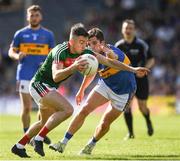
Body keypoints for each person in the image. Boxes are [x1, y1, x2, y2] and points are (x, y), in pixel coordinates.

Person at [49, 28, 149, 155]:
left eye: (94, 43)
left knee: (104, 123)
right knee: (84, 109)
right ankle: (62, 143)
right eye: (88, 43)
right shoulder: (91, 55)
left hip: (124, 92)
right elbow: (91, 74)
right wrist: (81, 90)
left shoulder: (111, 50)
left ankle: (91, 144)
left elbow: (113, 59)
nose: (91, 46)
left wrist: (133, 69)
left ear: (103, 43)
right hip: (106, 85)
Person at [8, 5, 55, 144]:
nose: (34, 17)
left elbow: (53, 55)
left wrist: (48, 63)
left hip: (41, 77)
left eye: (36, 15)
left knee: (44, 107)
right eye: (31, 15)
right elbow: (11, 51)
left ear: (41, 17)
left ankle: (38, 132)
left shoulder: (48, 35)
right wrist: (17, 56)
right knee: (27, 107)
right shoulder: (20, 34)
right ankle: (27, 135)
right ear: (27, 17)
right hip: (24, 74)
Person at [115, 19, 155, 139]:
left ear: (134, 30)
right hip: (126, 80)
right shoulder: (119, 46)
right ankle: (131, 133)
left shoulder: (141, 45)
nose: (128, 30)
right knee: (127, 106)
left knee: (142, 106)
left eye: (130, 28)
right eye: (126, 28)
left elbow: (151, 59)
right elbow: (114, 63)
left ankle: (148, 120)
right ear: (122, 30)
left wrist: (144, 69)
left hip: (141, 79)